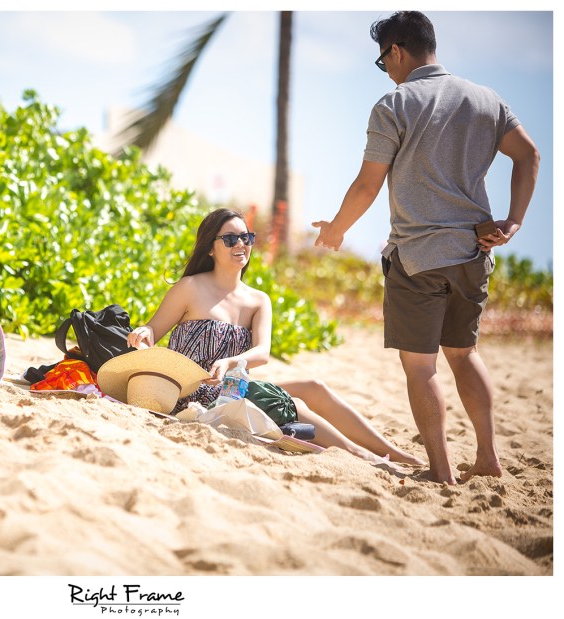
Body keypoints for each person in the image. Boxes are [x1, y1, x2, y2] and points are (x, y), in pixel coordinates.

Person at [312, 12, 540, 484]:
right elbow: (529, 155)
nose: (386, 72)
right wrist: (514, 220)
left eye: (383, 62)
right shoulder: (486, 99)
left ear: (396, 51)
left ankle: (441, 470)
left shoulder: (395, 104)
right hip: (473, 253)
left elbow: (368, 184)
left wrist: (336, 229)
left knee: (420, 367)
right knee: (464, 354)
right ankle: (488, 457)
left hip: (417, 257)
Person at [128, 208, 424, 468]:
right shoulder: (190, 287)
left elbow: (262, 352)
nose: (240, 244)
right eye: (230, 239)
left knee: (315, 387)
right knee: (292, 402)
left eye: (246, 237)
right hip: (191, 394)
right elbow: (154, 330)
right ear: (210, 249)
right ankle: (359, 454)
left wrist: (231, 361)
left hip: (231, 390)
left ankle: (395, 452)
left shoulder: (258, 300)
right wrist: (144, 332)